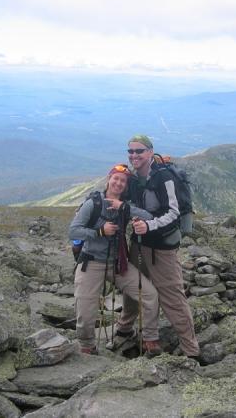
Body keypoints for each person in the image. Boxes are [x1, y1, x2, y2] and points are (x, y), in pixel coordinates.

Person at [116, 135, 200, 358]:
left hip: (162, 247)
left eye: (139, 151)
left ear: (151, 152)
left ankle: (191, 350)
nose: (134, 155)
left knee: (172, 297)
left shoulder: (164, 178)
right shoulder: (133, 178)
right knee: (133, 289)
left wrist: (149, 225)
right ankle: (125, 329)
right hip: (139, 244)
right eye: (131, 151)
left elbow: (173, 213)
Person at [68, 163, 162, 356]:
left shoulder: (125, 205)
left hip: (118, 263)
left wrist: (125, 208)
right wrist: (100, 231)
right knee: (85, 314)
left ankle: (150, 339)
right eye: (116, 179)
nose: (118, 183)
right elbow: (73, 231)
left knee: (150, 294)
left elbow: (148, 216)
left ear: (126, 186)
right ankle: (87, 345)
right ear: (109, 179)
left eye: (123, 181)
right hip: (91, 262)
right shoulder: (93, 204)